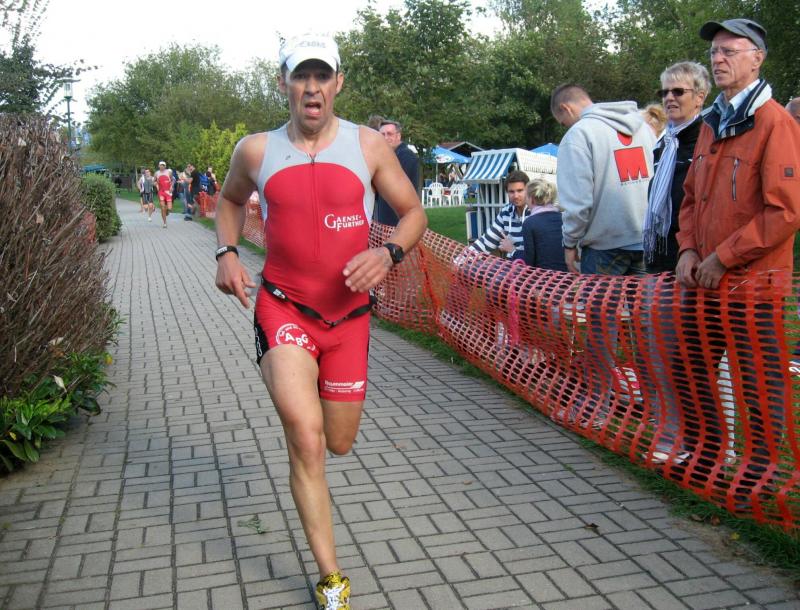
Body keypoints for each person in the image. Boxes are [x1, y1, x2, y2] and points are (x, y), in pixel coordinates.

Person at [214, 34, 427, 609]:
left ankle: (318, 426)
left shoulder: (368, 146)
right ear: (283, 83)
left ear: (338, 84)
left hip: (349, 318)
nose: (311, 88)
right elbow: (229, 202)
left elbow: (413, 212)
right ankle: (332, 579)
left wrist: (389, 253)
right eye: (300, 76)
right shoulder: (255, 151)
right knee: (306, 440)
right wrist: (226, 252)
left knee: (338, 442)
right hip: (283, 308)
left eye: (322, 76)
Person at [675, 18, 800, 506]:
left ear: (757, 58)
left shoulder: (775, 123)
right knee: (692, 370)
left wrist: (723, 257)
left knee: (759, 385)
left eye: (730, 50)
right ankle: (705, 458)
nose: (719, 58)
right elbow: (691, 197)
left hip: (753, 286)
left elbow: (785, 210)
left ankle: (760, 478)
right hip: (702, 281)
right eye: (714, 52)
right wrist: (688, 248)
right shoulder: (712, 122)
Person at [550, 84, 655, 426]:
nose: (565, 127)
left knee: (600, 332)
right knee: (647, 331)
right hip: (646, 239)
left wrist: (570, 242)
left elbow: (578, 201)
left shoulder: (580, 135)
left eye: (562, 122)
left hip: (604, 244)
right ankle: (657, 411)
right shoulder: (643, 126)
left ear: (566, 110)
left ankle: (596, 408)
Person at [639, 61, 710, 464]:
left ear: (700, 97)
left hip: (691, 262)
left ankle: (699, 442)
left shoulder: (706, 139)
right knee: (660, 353)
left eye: (678, 91)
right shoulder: (664, 144)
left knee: (689, 360)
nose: (669, 98)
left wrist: (691, 248)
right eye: (664, 91)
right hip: (659, 261)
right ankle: (675, 433)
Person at [468, 170, 530, 260]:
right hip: (511, 265)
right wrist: (460, 260)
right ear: (507, 193)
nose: (516, 196)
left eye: (520, 191)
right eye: (511, 192)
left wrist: (512, 250)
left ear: (528, 191)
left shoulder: (535, 213)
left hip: (531, 266)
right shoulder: (506, 212)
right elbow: (486, 242)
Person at [373, 119, 419, 226]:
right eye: (382, 135)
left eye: (389, 134)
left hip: (398, 220)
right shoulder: (389, 156)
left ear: (398, 136)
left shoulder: (406, 156)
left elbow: (393, 187)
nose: (385, 138)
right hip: (386, 219)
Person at [520, 178, 566, 271]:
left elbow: (529, 261)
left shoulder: (529, 223)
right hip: (565, 276)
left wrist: (513, 251)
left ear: (532, 199)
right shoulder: (563, 218)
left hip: (542, 277)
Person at [154, 161, 174, 228]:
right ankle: (165, 223)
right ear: (159, 166)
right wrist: (155, 184)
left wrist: (171, 186)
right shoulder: (156, 173)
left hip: (168, 192)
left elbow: (173, 180)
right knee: (162, 208)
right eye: (160, 165)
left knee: (169, 208)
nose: (162, 166)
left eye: (163, 165)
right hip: (161, 192)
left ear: (165, 166)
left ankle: (167, 211)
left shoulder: (168, 172)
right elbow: (154, 181)